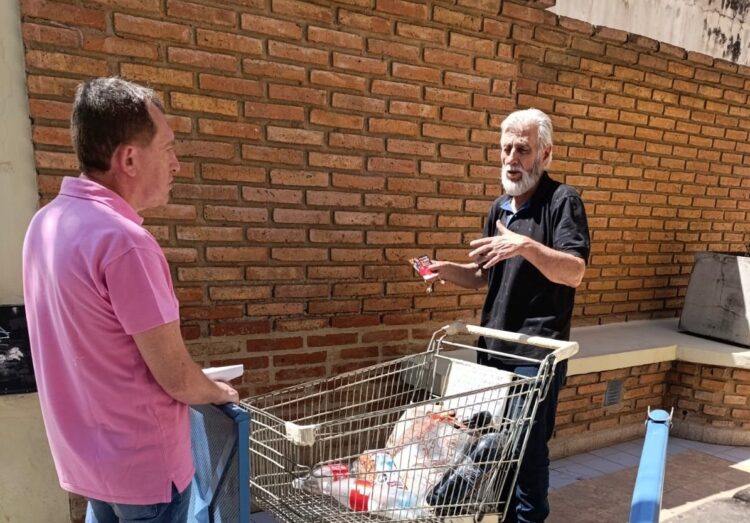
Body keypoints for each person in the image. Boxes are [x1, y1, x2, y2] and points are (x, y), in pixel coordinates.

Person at [22, 77, 239, 523]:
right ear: (130, 158)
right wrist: (217, 391)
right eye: (169, 148)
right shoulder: (125, 242)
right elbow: (176, 377)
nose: (177, 164)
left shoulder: (46, 223)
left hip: (88, 461)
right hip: (144, 472)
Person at [428, 108, 590, 522]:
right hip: (492, 353)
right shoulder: (500, 207)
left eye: (522, 149)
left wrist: (526, 246)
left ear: (545, 154)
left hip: (533, 358)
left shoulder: (562, 201)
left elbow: (573, 272)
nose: (512, 159)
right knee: (494, 454)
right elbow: (484, 276)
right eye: (505, 149)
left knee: (527, 455)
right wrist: (446, 270)